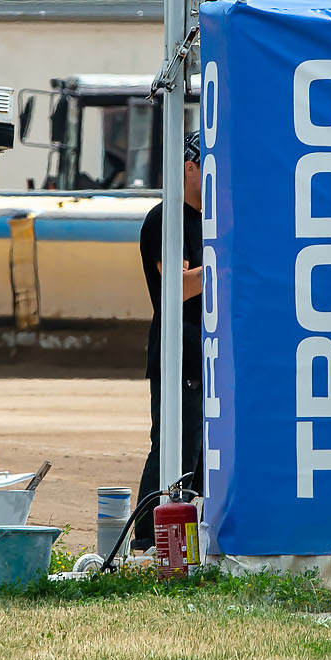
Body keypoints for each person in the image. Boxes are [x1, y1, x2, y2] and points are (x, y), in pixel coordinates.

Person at [137, 133, 204, 505]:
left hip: (209, 354)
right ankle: (149, 536)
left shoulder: (212, 218)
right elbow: (175, 288)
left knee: (206, 456)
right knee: (175, 449)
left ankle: (199, 535)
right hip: (180, 351)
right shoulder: (167, 218)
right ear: (189, 167)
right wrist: (224, 265)